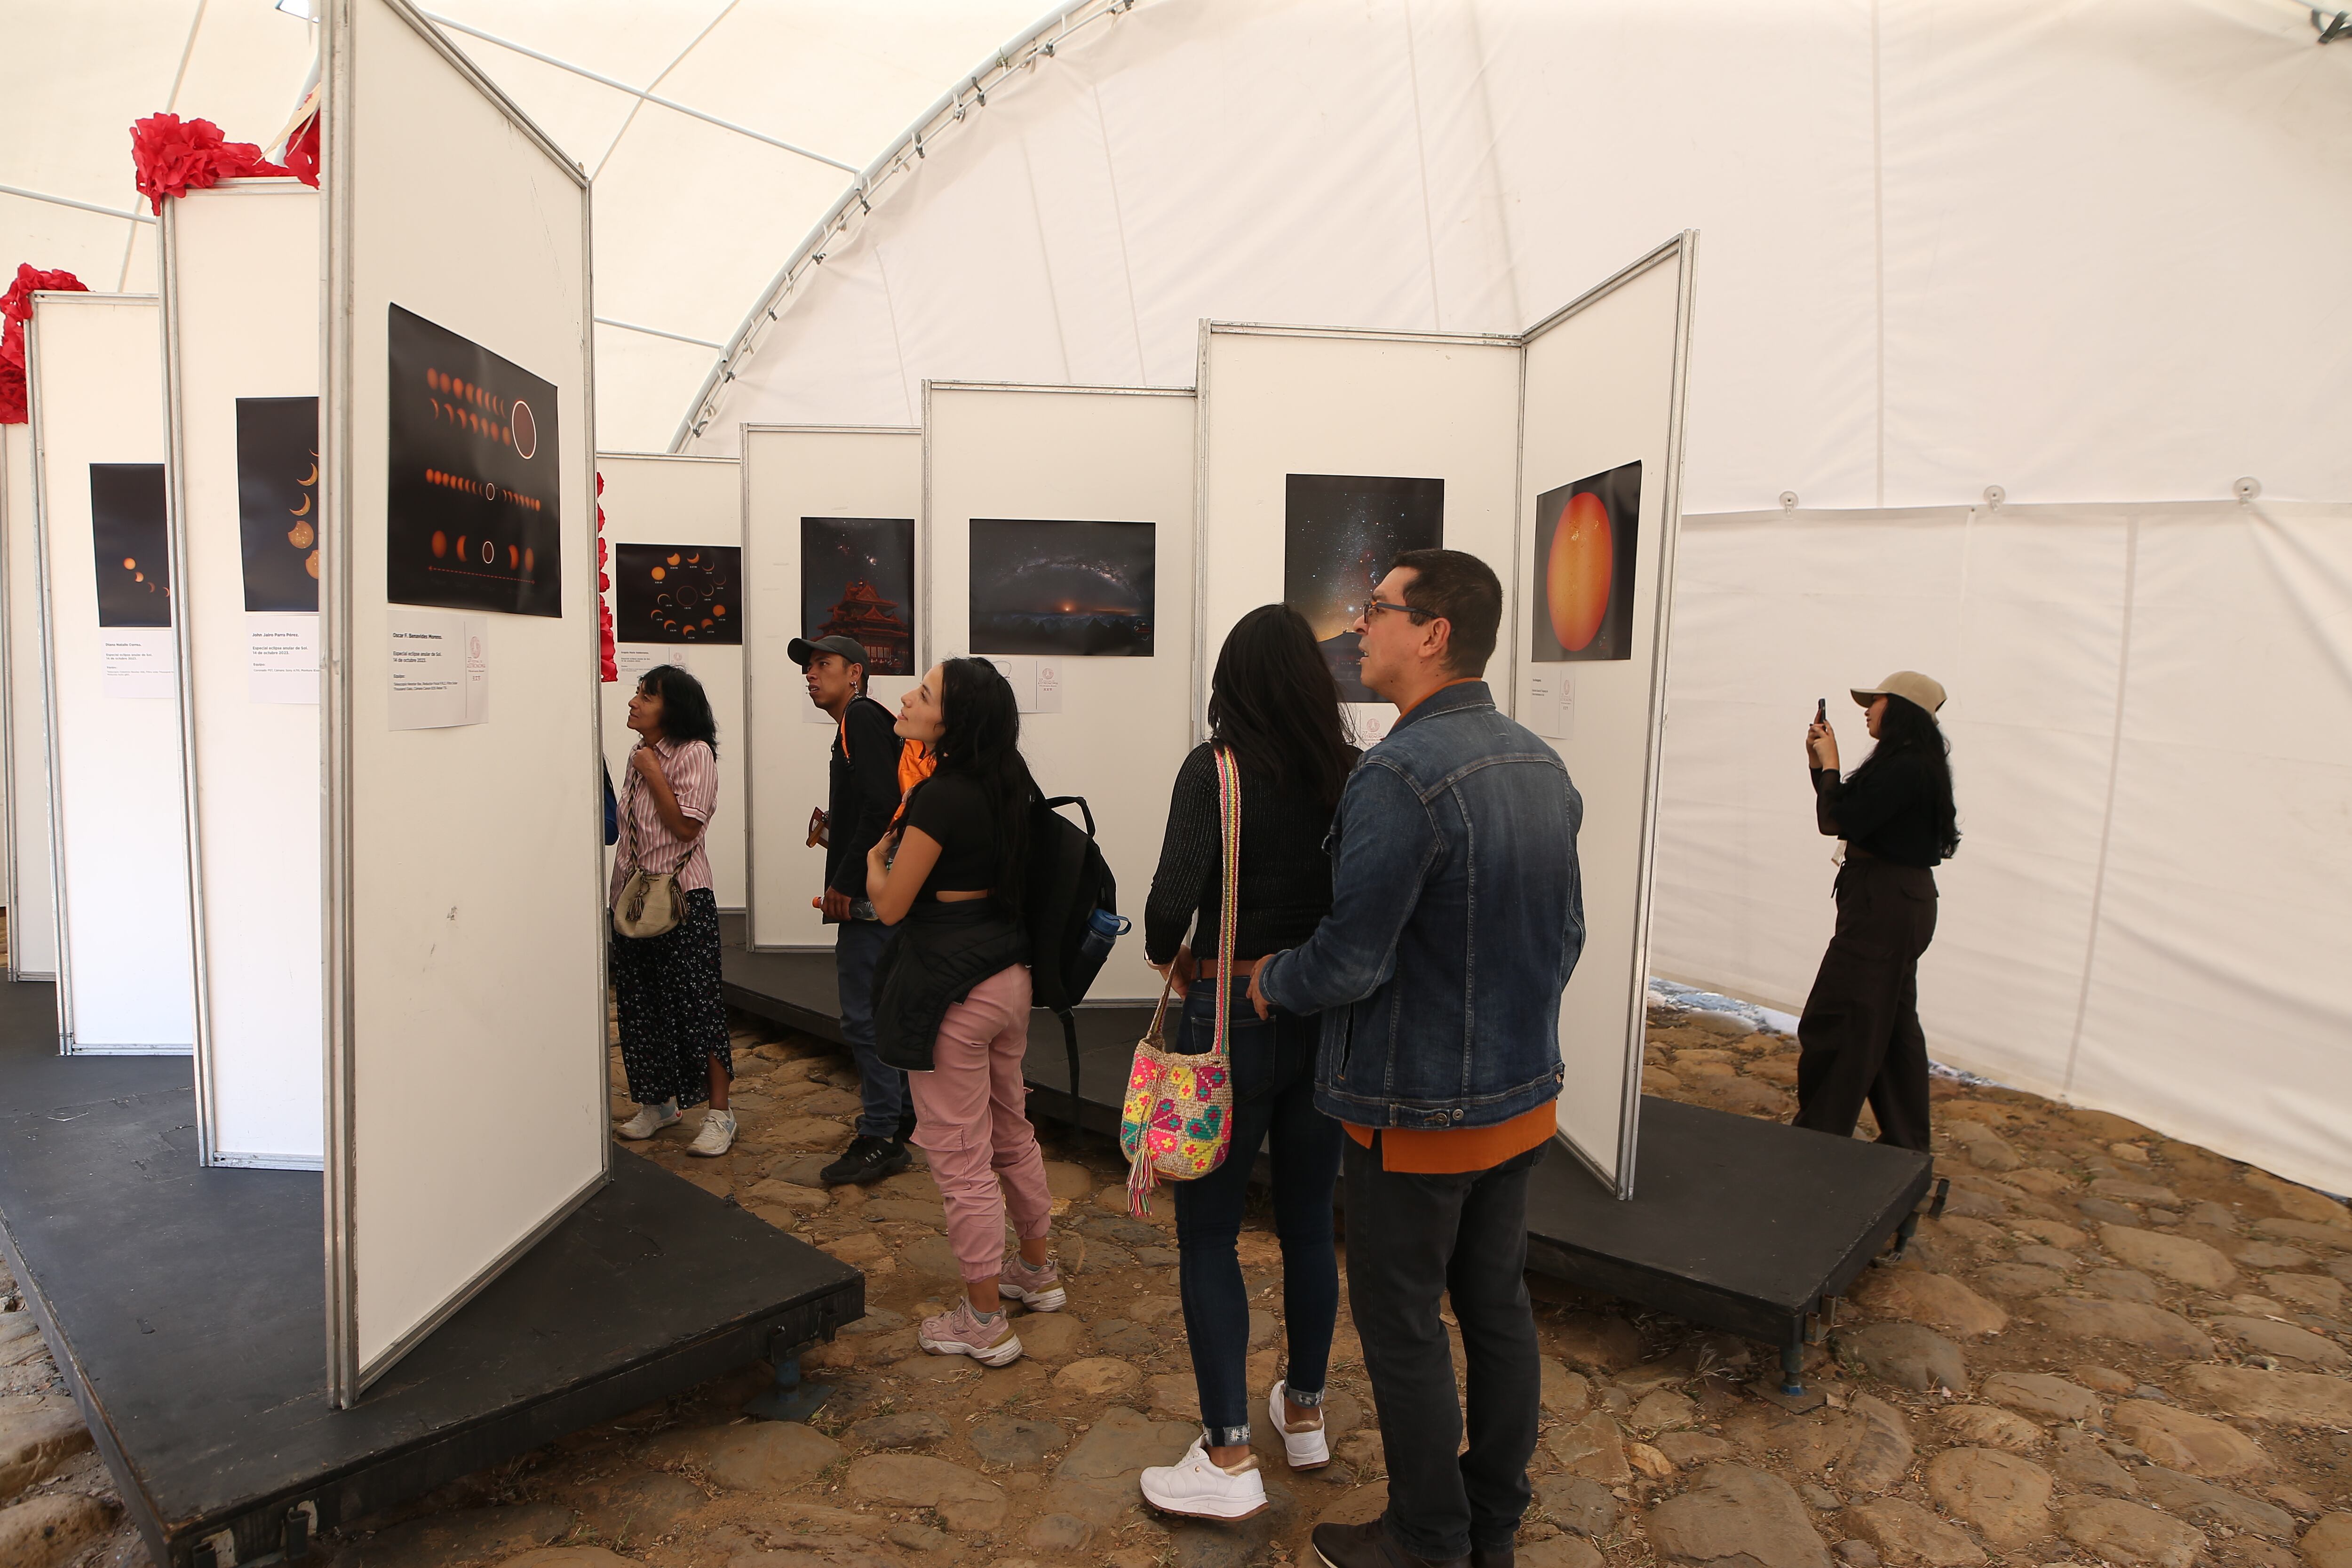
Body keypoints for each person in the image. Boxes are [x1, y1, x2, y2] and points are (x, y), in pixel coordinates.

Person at [1252, 549, 1584, 1568]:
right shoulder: (1538, 759)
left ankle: (1427, 1537)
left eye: (1379, 610)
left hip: (1416, 1112)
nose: (1361, 626)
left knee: (1401, 1325)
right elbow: (1566, 938)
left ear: (1433, 632)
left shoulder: (1399, 772)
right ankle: (1491, 1525)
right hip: (1520, 1100)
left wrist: (1272, 979)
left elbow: (1350, 960)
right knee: (1495, 1310)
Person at [1136, 605, 1357, 1522]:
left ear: (1231, 678)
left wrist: (1180, 961)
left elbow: (1163, 909)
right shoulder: (1349, 775)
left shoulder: (1215, 771)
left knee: (1209, 1235)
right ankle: (1302, 1410)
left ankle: (1227, 1449)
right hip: (1321, 1018)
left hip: (1224, 1022)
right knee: (1310, 1223)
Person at [866, 658, 1062, 1366]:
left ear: (953, 720)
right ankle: (1035, 1272)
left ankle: (983, 1317)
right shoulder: (1012, 781)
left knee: (959, 1157)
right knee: (1011, 1128)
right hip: (1007, 977)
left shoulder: (941, 797)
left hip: (951, 987)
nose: (907, 698)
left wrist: (869, 862)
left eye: (923, 693)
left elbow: (890, 905)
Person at [1795, 671, 1959, 1153]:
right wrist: (1819, 767)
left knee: (1840, 1017)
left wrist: (1830, 765)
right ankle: (1905, 1143)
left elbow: (1837, 819)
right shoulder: (1909, 764)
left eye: (1876, 701)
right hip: (1894, 902)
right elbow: (1848, 812)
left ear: (1901, 709)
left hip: (1883, 905)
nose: (1866, 709)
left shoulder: (1904, 767)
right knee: (1890, 1030)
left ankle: (1817, 1141)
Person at [793, 632, 917, 1185]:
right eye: (809, 667)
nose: (810, 675)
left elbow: (883, 806)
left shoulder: (861, 719)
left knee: (864, 1018)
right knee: (884, 1011)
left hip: (868, 898)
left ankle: (880, 1135)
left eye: (823, 665)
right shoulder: (860, 723)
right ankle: (900, 1120)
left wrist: (845, 881)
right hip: (880, 894)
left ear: (856, 674)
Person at [611, 665, 736, 1156]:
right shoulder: (639, 754)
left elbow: (686, 828)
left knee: (697, 1006)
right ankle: (657, 1105)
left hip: (683, 898)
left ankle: (720, 1115)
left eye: (647, 696)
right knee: (641, 1006)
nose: (633, 702)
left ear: (674, 708)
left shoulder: (693, 754)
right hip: (632, 899)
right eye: (637, 693)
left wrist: (653, 773)